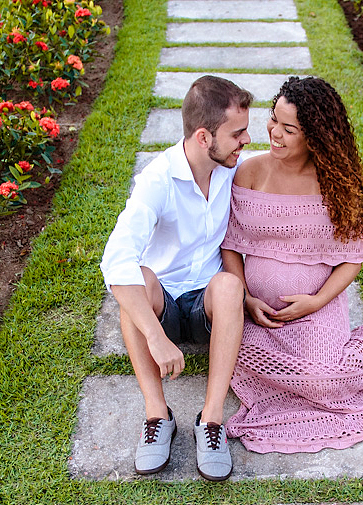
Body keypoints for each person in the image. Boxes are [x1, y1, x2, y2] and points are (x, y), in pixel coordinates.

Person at [220, 76, 363, 454]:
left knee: (325, 379)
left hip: (316, 309)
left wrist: (316, 301)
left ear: (315, 136)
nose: (274, 132)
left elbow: (353, 258)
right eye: (274, 119)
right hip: (254, 312)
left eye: (289, 128)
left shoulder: (337, 185)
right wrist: (245, 298)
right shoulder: (249, 173)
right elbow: (232, 245)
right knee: (231, 353)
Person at [100, 76, 253, 481]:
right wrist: (155, 336)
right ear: (204, 137)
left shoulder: (230, 168)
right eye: (237, 133)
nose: (247, 140)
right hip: (163, 301)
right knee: (139, 278)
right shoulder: (158, 180)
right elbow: (116, 259)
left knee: (230, 286)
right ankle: (157, 414)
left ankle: (212, 420)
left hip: (207, 304)